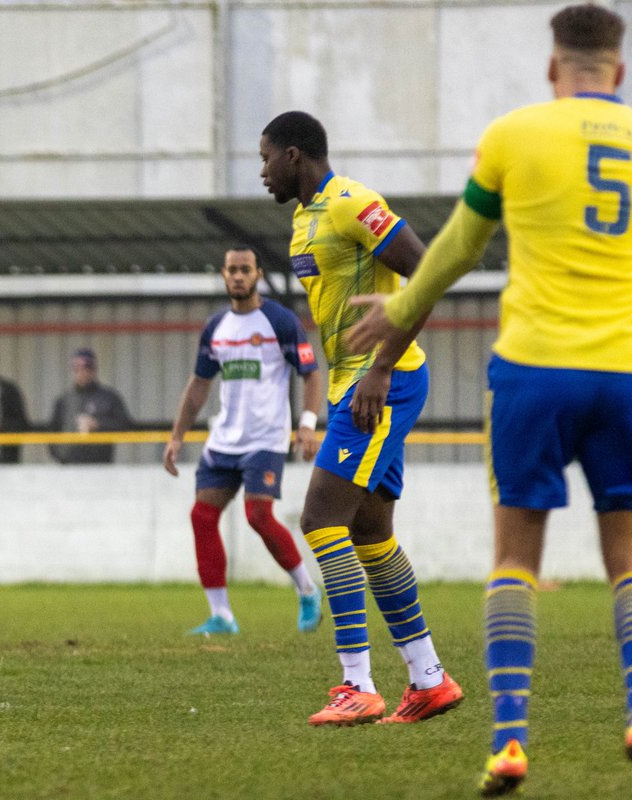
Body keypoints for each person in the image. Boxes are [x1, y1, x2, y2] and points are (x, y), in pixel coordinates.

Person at [346, 5, 632, 794]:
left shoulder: (513, 134)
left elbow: (460, 245)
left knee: (514, 559)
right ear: (619, 71)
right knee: (626, 558)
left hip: (533, 371)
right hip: (624, 372)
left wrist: (401, 310)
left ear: (552, 67)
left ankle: (509, 741)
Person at [258, 110, 463, 727]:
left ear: (294, 155)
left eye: (265, 157)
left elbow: (427, 269)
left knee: (320, 519)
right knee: (370, 532)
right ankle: (429, 679)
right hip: (358, 383)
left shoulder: (351, 202)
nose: (262, 171)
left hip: (381, 383)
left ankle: (357, 685)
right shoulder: (304, 218)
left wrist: (380, 368)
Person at [163, 245, 324, 636]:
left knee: (258, 516)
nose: (238, 276)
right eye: (232, 270)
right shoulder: (216, 327)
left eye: (245, 269)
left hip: (265, 439)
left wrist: (306, 425)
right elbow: (199, 385)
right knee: (202, 517)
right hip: (224, 440)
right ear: (223, 275)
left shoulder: (280, 321)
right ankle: (221, 615)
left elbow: (311, 374)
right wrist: (177, 436)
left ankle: (307, 589)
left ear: (258, 275)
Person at [48, 348, 134, 464]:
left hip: (99, 465)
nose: (82, 372)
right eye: (77, 368)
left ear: (94, 370)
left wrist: (98, 424)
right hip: (69, 466)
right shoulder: (63, 401)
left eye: (87, 367)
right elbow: (52, 432)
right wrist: (61, 455)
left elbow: (126, 425)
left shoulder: (108, 397)